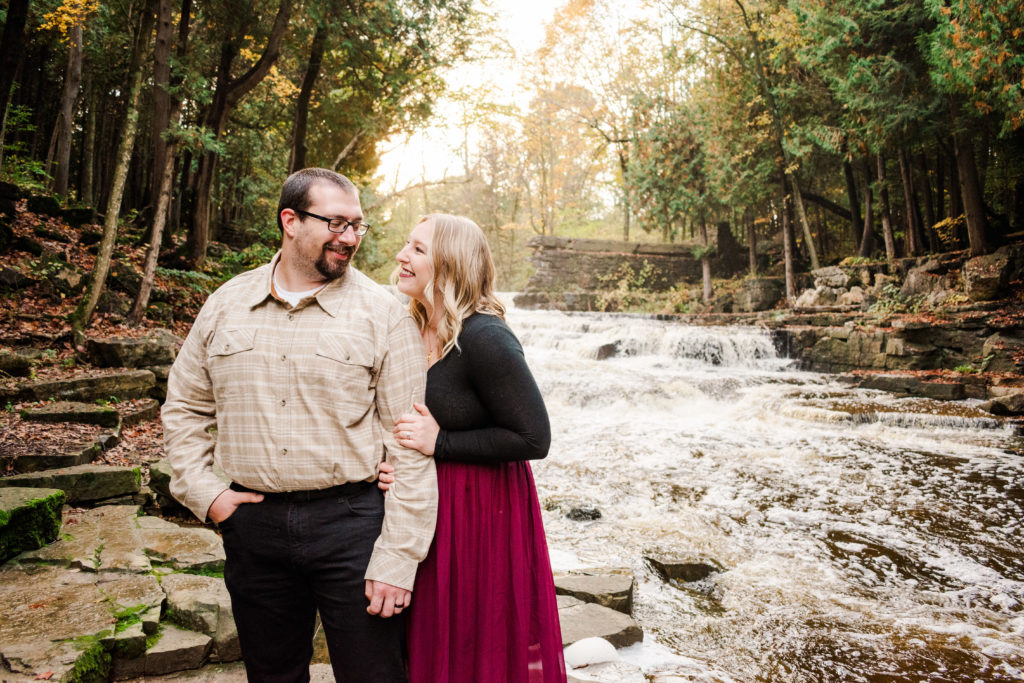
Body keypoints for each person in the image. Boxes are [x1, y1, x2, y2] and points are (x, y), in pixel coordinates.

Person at [162, 168, 437, 683]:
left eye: (358, 226)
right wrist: (206, 494)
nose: (351, 238)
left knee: (375, 676)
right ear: (290, 221)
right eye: (336, 223)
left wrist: (399, 558)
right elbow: (184, 407)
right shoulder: (225, 304)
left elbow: (410, 447)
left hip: (354, 526)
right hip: (252, 527)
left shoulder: (386, 315)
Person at [382, 213, 567, 682]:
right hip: (423, 505)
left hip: (479, 513)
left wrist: (440, 443)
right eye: (407, 244)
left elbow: (533, 438)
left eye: (419, 249)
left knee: (470, 638)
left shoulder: (486, 338)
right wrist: (386, 464)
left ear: (451, 264)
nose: (402, 256)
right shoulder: (409, 327)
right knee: (425, 638)